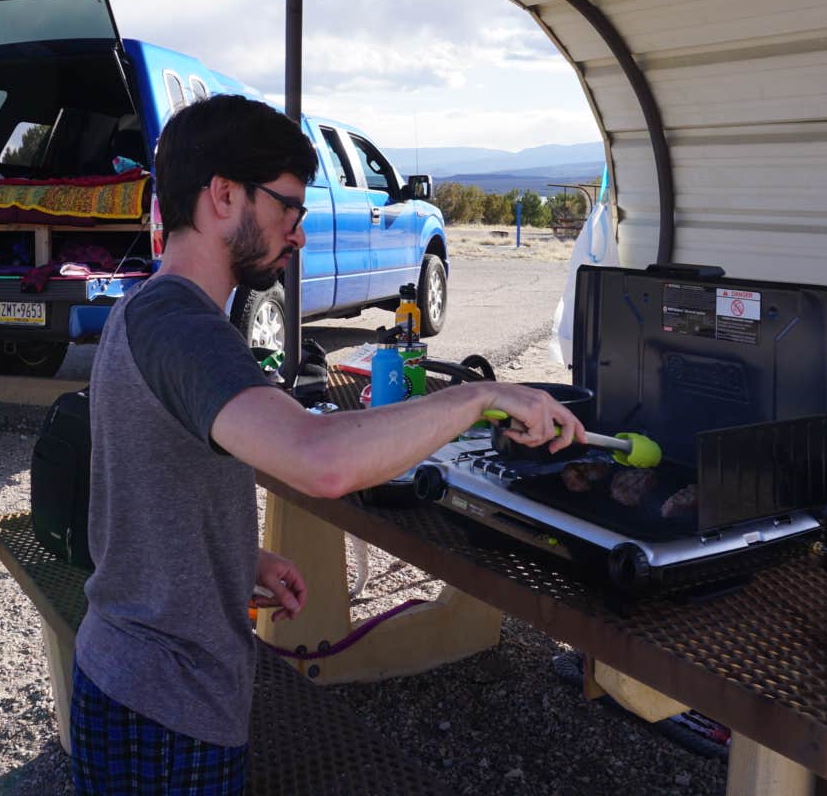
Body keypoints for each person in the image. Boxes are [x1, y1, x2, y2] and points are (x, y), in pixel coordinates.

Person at [71, 94, 585, 795]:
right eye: (289, 207)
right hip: (169, 703)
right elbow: (320, 460)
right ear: (223, 195)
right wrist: (479, 397)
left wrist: (235, 557)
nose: (300, 233)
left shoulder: (151, 310)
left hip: (135, 677)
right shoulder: (186, 328)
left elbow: (143, 482)